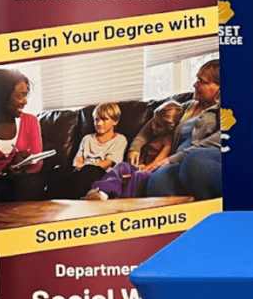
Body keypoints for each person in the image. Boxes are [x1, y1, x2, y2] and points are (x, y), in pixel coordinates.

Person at [146, 59, 222, 200]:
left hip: (203, 159)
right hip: (178, 162)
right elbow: (154, 120)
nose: (195, 84)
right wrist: (135, 147)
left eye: (202, 81)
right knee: (158, 179)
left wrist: (174, 158)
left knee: (194, 161)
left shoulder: (224, 110)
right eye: (196, 79)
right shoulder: (189, 106)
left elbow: (221, 138)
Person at [85, 101, 184, 200]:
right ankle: (101, 192)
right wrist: (138, 165)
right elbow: (142, 151)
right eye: (153, 122)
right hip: (142, 166)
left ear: (170, 127)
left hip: (153, 170)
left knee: (139, 176)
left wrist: (141, 170)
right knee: (122, 166)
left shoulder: (168, 141)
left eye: (158, 126)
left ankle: (123, 200)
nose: (153, 126)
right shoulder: (152, 135)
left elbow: (157, 162)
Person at [0, 68, 44, 202]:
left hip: (22, 182)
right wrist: (7, 169)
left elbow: (37, 164)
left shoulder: (30, 121)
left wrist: (21, 166)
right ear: (1, 96)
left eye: (26, 95)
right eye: (20, 96)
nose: (25, 102)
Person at [67, 102, 127, 198]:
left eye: (104, 120)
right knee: (60, 171)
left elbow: (107, 163)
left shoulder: (120, 140)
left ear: (115, 121)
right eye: (96, 120)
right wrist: (79, 165)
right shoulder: (87, 139)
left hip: (101, 173)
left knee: (90, 171)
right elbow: (78, 158)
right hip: (81, 170)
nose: (99, 123)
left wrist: (86, 167)